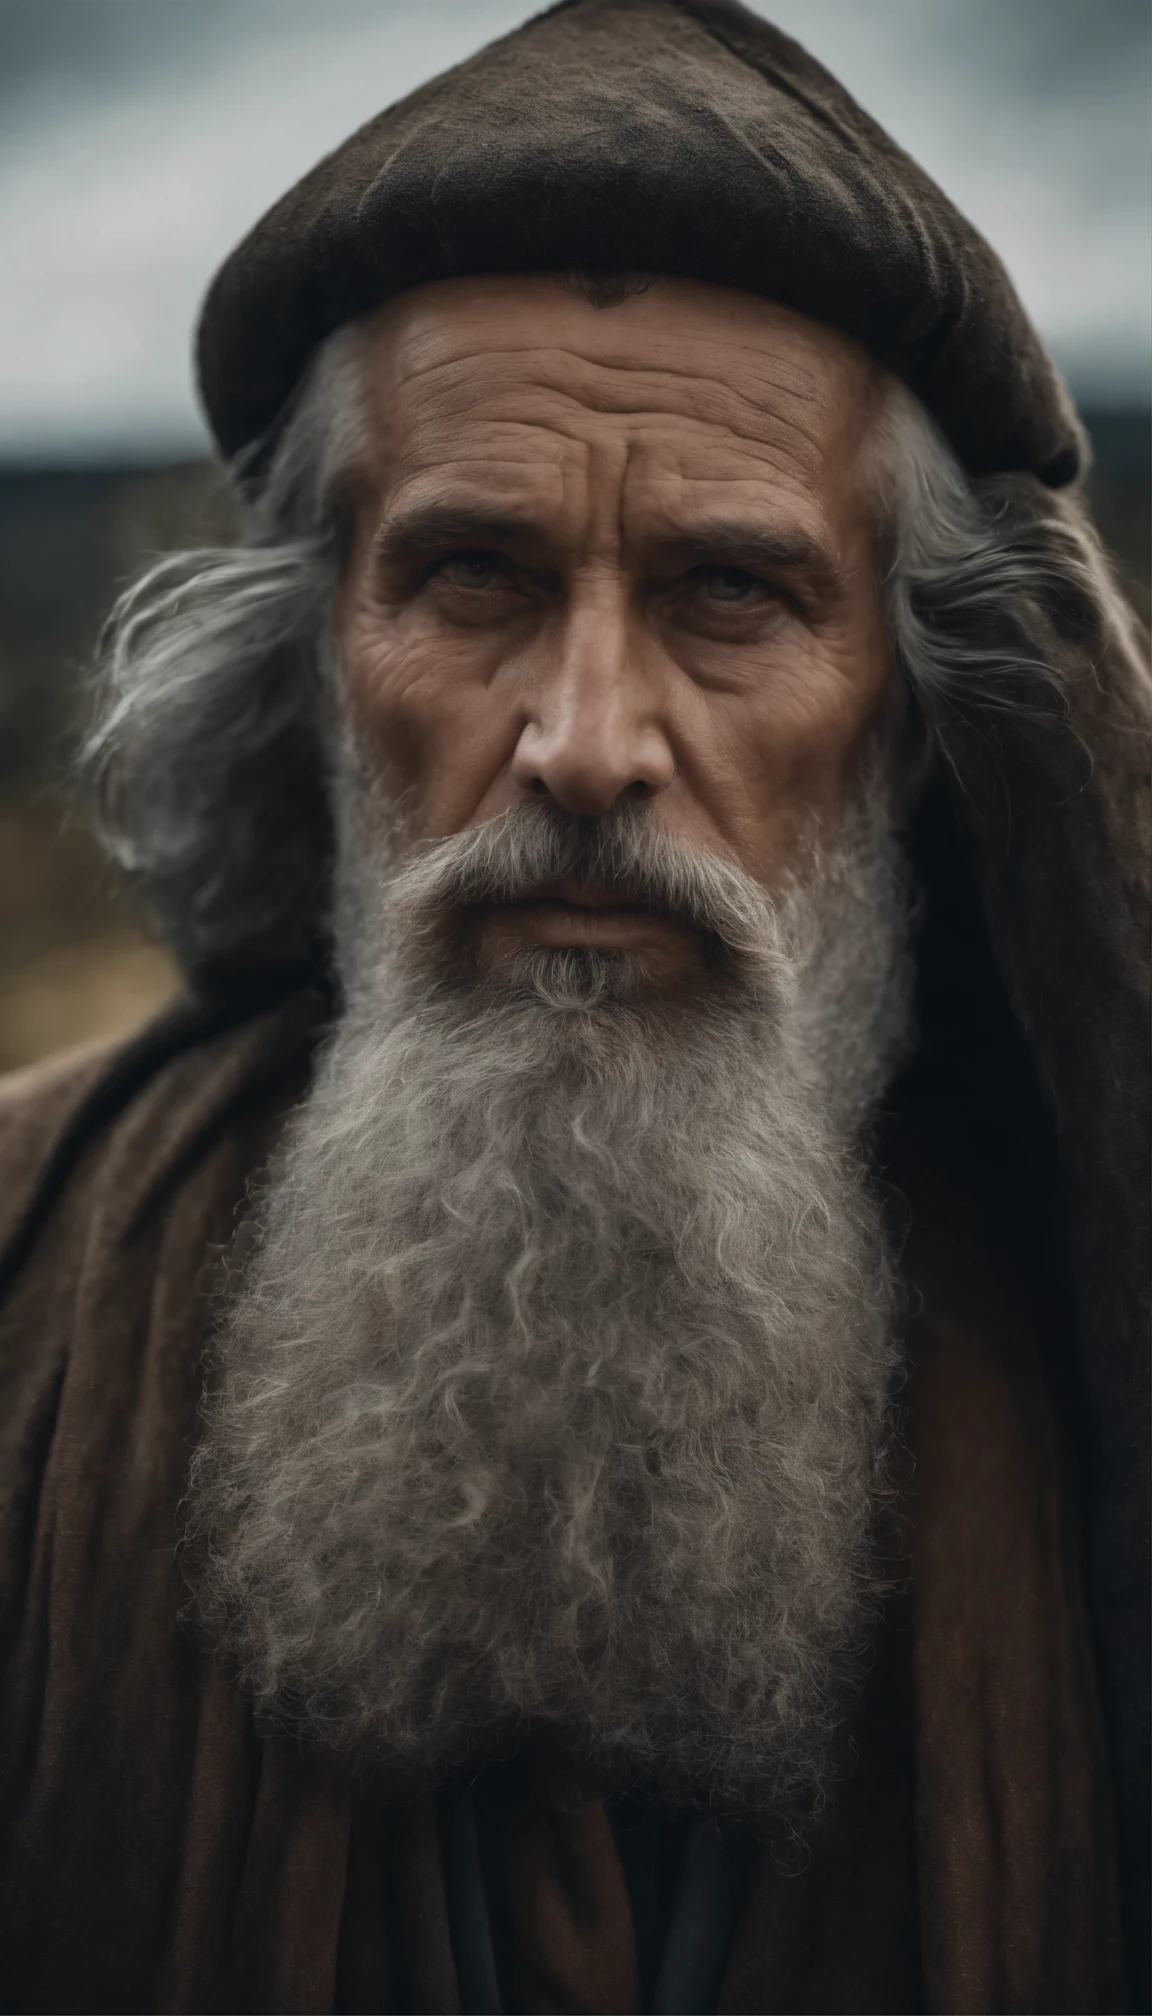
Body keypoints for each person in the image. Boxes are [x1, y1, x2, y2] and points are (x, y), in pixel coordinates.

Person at [0, 2, 1147, 2010]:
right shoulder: (22, 1270)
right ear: (321, 675)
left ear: (912, 724)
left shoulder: (1099, 1337)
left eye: (731, 591)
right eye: (472, 578)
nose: (589, 743)